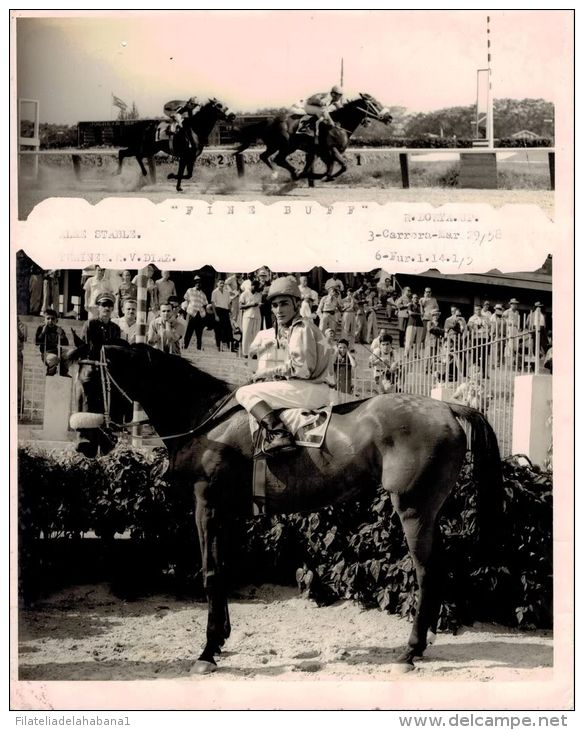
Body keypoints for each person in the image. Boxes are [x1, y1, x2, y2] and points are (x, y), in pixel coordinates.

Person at [235, 278, 336, 456]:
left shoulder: (300, 328)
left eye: (284, 304)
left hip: (310, 389)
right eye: (274, 305)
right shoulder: (300, 327)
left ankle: (280, 434)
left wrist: (267, 371)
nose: (278, 310)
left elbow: (302, 370)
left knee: (244, 393)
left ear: (296, 304)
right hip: (313, 387)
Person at [81, 292, 122, 359]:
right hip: (92, 361)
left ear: (112, 308)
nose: (107, 308)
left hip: (109, 364)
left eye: (110, 305)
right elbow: (83, 346)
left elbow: (116, 349)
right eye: (104, 305)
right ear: (98, 307)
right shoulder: (90, 324)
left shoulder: (115, 328)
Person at [35, 309, 69, 376]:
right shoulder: (41, 328)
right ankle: (51, 371)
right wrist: (43, 333)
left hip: (57, 351)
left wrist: (62, 335)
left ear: (56, 321)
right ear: (44, 320)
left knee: (71, 353)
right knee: (54, 358)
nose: (50, 321)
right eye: (48, 318)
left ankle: (63, 371)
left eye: (53, 319)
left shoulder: (59, 329)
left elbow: (66, 343)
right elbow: (37, 342)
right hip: (46, 353)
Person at [183, 275, 209, 351]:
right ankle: (185, 347)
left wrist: (204, 315)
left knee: (199, 333)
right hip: (191, 313)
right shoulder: (189, 290)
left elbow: (205, 305)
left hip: (199, 314)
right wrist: (185, 311)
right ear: (194, 283)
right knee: (188, 331)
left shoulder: (203, 294)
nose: (198, 284)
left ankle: (199, 348)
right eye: (197, 282)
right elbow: (186, 301)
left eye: (199, 282)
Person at [239, 279, 263, 357]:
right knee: (246, 335)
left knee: (256, 336)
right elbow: (240, 306)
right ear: (252, 286)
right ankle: (245, 353)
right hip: (247, 316)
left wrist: (260, 305)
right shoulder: (244, 294)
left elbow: (259, 304)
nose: (256, 288)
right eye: (255, 287)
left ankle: (254, 353)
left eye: (257, 287)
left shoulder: (259, 295)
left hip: (257, 316)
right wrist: (251, 305)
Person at [211, 278, 235, 351]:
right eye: (220, 283)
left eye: (223, 283)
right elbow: (213, 304)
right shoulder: (214, 292)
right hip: (218, 311)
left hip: (225, 311)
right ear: (217, 284)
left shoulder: (227, 292)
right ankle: (218, 346)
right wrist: (215, 315)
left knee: (228, 329)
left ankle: (230, 346)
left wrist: (230, 312)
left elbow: (229, 303)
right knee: (218, 330)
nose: (222, 284)